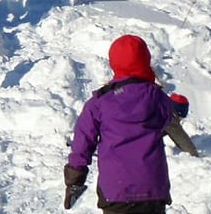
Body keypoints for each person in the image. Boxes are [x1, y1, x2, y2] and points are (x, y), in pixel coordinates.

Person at [64, 34, 174, 212]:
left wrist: (74, 180)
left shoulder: (99, 102)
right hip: (152, 188)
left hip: (116, 190)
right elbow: (167, 118)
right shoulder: (157, 97)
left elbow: (82, 142)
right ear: (145, 60)